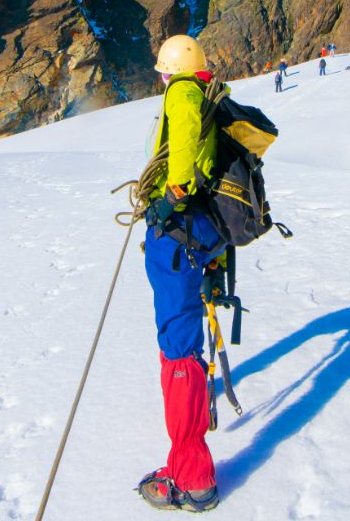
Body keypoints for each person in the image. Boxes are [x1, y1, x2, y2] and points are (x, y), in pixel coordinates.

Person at [137, 34, 223, 513]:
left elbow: (185, 139)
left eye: (161, 71)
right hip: (202, 235)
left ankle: (192, 479)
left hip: (179, 232)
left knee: (178, 344)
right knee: (182, 337)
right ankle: (189, 447)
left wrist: (171, 196)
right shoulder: (208, 92)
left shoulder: (183, 92)